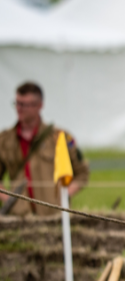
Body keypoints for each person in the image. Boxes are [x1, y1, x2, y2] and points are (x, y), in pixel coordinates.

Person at [0, 82, 89, 216]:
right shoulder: (5, 139)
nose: (19, 108)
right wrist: (8, 200)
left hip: (53, 217)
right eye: (17, 103)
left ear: (39, 105)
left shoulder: (60, 137)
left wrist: (63, 197)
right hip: (19, 218)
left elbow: (82, 173)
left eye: (24, 104)